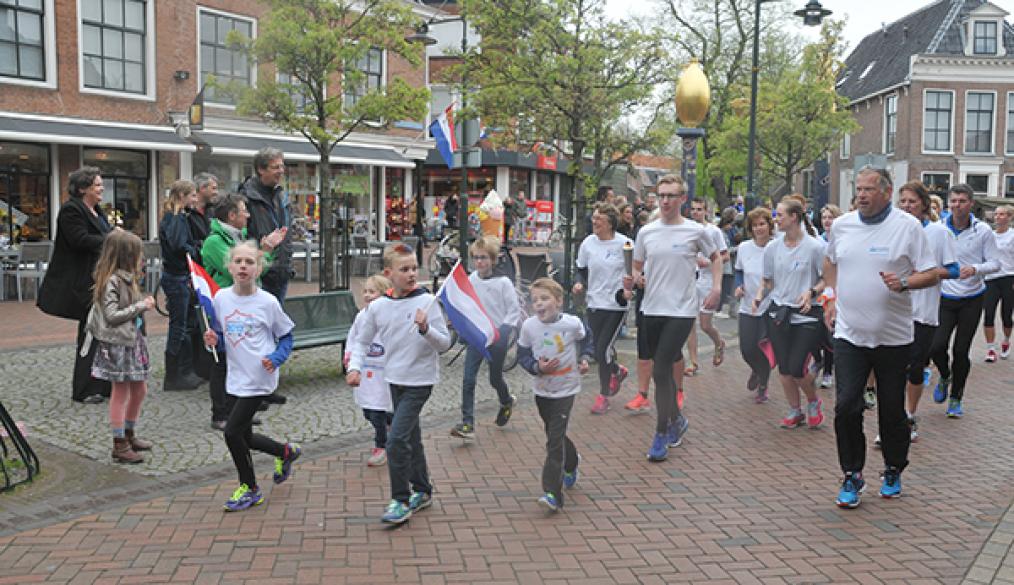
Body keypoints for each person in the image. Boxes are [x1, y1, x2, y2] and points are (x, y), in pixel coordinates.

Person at [823, 166, 938, 508]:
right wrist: (830, 298)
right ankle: (852, 474)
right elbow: (830, 263)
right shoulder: (842, 225)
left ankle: (892, 467)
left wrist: (904, 283)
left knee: (891, 411)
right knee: (846, 407)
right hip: (849, 334)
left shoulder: (908, 227)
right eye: (858, 188)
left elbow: (931, 273)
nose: (861, 195)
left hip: (894, 338)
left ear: (887, 192)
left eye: (869, 189)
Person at [346, 243, 452, 524]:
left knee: (396, 440)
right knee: (411, 438)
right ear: (389, 273)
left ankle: (400, 499)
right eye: (404, 269)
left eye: (415, 268)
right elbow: (362, 340)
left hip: (420, 381)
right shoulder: (379, 307)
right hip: (393, 380)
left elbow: (445, 344)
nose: (412, 274)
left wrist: (426, 329)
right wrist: (354, 367)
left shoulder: (427, 302)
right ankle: (423, 490)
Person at [624, 175, 721, 463]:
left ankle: (661, 433)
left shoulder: (694, 231)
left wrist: (716, 289)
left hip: (680, 311)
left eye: (671, 196)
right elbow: (637, 266)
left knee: (661, 368)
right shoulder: (646, 232)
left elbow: (716, 258)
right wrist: (633, 279)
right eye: (661, 195)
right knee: (662, 372)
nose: (665, 201)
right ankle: (677, 419)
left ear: (682, 199)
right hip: (652, 308)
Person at [203, 241, 301, 512]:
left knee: (231, 432)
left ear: (259, 268)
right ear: (229, 266)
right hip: (235, 376)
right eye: (239, 262)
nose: (243, 266)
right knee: (244, 437)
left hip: (260, 377)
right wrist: (213, 339)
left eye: (250, 262)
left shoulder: (267, 303)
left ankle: (250, 487)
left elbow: (286, 336)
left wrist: (277, 358)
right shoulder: (221, 298)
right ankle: (285, 451)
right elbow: (223, 337)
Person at [201, 192, 284, 430]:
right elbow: (234, 274)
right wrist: (264, 250)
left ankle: (239, 411)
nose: (248, 215)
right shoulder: (215, 242)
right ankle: (220, 414)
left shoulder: (239, 238)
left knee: (239, 359)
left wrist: (266, 249)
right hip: (225, 308)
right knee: (221, 361)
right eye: (244, 210)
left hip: (245, 306)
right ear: (232, 215)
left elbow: (257, 271)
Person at [885, 181, 957, 446]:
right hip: (894, 310)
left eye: (912, 201)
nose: (906, 206)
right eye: (902, 201)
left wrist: (924, 275)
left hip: (923, 312)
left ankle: (910, 414)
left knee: (914, 367)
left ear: (924, 205)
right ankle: (893, 421)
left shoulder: (939, 233)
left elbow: (955, 270)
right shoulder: (892, 231)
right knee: (892, 369)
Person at [37, 166, 112, 403]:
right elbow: (80, 240)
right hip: (80, 282)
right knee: (90, 333)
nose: (101, 189)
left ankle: (103, 383)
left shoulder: (96, 210)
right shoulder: (71, 210)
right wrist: (113, 240)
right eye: (97, 185)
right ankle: (85, 389)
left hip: (98, 279)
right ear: (82, 188)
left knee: (102, 332)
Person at [517, 277, 592, 512]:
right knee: (554, 435)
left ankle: (552, 493)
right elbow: (523, 356)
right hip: (542, 390)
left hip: (566, 389)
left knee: (553, 441)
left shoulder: (571, 324)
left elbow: (587, 338)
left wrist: (585, 358)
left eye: (544, 299)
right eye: (534, 300)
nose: (538, 304)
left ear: (558, 301)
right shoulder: (529, 327)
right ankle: (572, 462)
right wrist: (537, 368)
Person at [83, 230, 155, 463]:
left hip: (132, 341)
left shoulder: (128, 278)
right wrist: (141, 306)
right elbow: (112, 315)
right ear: (127, 256)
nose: (142, 258)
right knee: (120, 392)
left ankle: (129, 432)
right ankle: (119, 443)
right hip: (118, 344)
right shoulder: (111, 281)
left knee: (140, 389)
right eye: (138, 254)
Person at [754, 197, 826, 430]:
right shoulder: (773, 248)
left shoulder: (815, 247)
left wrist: (811, 291)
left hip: (806, 313)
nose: (776, 220)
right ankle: (795, 410)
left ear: (794, 217)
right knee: (784, 367)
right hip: (779, 312)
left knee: (797, 366)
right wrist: (759, 295)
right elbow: (767, 280)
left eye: (779, 215)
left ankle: (813, 401)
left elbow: (827, 278)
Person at [929, 184, 1000, 418]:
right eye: (953, 201)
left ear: (971, 203)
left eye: (961, 201)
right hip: (945, 296)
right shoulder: (939, 229)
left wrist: (976, 269)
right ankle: (945, 375)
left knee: (961, 351)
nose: (957, 206)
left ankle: (956, 396)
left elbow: (995, 263)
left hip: (972, 298)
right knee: (937, 346)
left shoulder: (983, 231)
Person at [451, 236, 520, 438]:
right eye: (476, 258)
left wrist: (505, 331)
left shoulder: (503, 283)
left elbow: (513, 311)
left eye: (484, 258)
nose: (480, 262)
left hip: (497, 337)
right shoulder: (471, 281)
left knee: (495, 378)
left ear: (492, 260)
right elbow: (467, 306)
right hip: (478, 337)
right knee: (468, 379)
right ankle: (467, 424)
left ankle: (506, 399)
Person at [573, 203, 632, 415]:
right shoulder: (588, 243)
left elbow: (634, 273)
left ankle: (603, 395)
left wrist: (629, 288)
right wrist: (579, 282)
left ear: (610, 223)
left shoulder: (625, 244)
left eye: (599, 219)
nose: (594, 222)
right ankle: (617, 370)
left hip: (616, 304)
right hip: (594, 301)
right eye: (594, 218)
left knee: (603, 350)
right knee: (599, 348)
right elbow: (581, 270)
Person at [159, 179, 204, 391]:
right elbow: (178, 245)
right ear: (181, 196)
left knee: (184, 325)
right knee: (179, 326)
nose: (195, 199)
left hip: (178, 276)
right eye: (192, 195)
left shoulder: (177, 217)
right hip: (177, 276)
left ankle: (183, 372)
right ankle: (175, 375)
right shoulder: (175, 218)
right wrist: (195, 249)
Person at [344, 274, 394, 466]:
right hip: (365, 370)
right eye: (365, 291)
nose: (367, 295)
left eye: (372, 292)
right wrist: (350, 356)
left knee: (378, 409)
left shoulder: (388, 317)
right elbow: (354, 337)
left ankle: (381, 445)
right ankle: (392, 424)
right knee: (368, 410)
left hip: (382, 371)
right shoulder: (361, 316)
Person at [239, 147, 293, 303]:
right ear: (261, 170)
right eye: (275, 167)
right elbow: (242, 236)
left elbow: (287, 231)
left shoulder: (281, 196)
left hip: (281, 272)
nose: (281, 171)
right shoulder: (246, 198)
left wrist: (286, 261)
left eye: (282, 166)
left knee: (276, 322)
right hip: (260, 274)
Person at [735, 207, 774, 404]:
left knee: (763, 347)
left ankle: (763, 384)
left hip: (770, 306)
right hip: (748, 304)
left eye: (762, 224)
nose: (759, 228)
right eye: (755, 225)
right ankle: (757, 370)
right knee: (747, 348)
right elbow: (739, 271)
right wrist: (738, 286)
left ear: (769, 225)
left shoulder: (776, 247)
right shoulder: (744, 248)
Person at [686, 199, 729, 376]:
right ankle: (693, 362)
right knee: (689, 322)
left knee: (704, 324)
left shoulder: (713, 231)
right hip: (689, 280)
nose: (696, 212)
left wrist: (708, 263)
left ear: (706, 211)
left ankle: (719, 342)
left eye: (699, 209)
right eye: (693, 209)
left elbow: (724, 256)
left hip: (708, 280)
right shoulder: (686, 230)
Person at [187, 172, 219, 382]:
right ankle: (194, 366)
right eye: (213, 188)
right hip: (194, 272)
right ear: (201, 190)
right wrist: (204, 247)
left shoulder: (211, 213)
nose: (215, 191)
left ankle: (206, 366)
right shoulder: (188, 215)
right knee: (193, 322)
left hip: (208, 272)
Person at [982, 205, 1014, 362]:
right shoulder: (990, 236)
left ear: (1009, 217)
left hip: (1008, 278)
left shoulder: (1012, 236)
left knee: (1006, 315)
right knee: (988, 314)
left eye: (1002, 214)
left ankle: (1006, 341)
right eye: (996, 214)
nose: (998, 217)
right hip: (991, 279)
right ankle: (990, 349)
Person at [818, 205, 844, 389]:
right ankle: (820, 363)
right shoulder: (817, 241)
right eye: (824, 217)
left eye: (831, 217)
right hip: (820, 291)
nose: (827, 221)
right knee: (819, 331)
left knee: (831, 333)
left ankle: (828, 370)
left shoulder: (842, 240)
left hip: (837, 291)